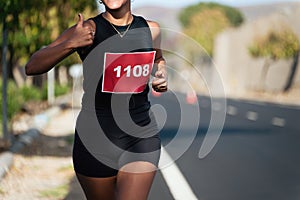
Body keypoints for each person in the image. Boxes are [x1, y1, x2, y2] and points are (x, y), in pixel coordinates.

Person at [25, 0, 167, 199]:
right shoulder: (87, 29)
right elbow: (32, 66)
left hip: (141, 134)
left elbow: (158, 59)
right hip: (95, 138)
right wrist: (71, 43)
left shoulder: (151, 30)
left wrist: (161, 72)